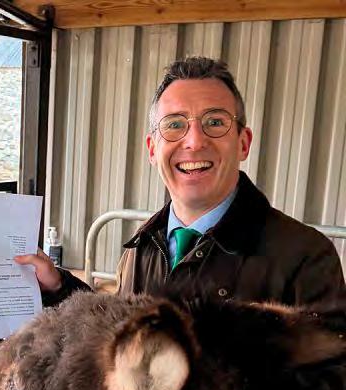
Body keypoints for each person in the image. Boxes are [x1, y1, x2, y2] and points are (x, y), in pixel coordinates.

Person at [20, 56, 345, 305]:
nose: (194, 141)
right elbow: (118, 335)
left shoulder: (306, 259)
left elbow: (328, 373)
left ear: (243, 143)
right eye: (175, 124)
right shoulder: (143, 247)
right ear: (152, 149)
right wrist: (59, 286)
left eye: (215, 122)